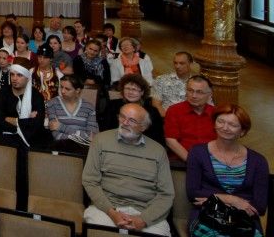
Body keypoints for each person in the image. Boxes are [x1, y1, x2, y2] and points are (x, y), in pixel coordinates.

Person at [82, 103, 174, 235]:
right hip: (106, 208)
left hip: (145, 211)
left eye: (132, 120)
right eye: (122, 117)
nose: (125, 122)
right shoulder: (101, 141)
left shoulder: (158, 151)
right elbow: (90, 181)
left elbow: (166, 194)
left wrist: (143, 219)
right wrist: (112, 212)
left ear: (143, 126)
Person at [186, 104, 269, 236]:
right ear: (214, 124)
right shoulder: (198, 152)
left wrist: (212, 198)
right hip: (207, 218)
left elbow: (259, 206)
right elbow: (193, 194)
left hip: (244, 222)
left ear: (242, 131)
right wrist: (232, 200)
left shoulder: (258, 161)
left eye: (232, 125)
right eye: (220, 121)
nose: (225, 128)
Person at [0, 56, 47, 149]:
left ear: (27, 77)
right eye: (12, 74)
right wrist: (26, 122)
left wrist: (12, 120)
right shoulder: (2, 94)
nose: (14, 78)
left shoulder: (36, 96)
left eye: (19, 75)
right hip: (5, 139)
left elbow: (37, 125)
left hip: (30, 140)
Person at [101, 73, 165, 146]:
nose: (130, 92)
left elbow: (158, 137)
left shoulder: (152, 111)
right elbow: (105, 129)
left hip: (142, 146)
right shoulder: (112, 105)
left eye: (134, 89)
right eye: (127, 88)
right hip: (115, 144)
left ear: (142, 92)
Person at [165, 75, 216, 162]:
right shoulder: (174, 110)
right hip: (181, 161)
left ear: (210, 94)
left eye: (199, 92)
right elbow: (171, 141)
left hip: (212, 162)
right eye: (190, 90)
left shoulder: (217, 113)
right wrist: (193, 162)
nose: (194, 96)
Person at [46, 75, 99, 147]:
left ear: (77, 90)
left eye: (67, 89)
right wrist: (82, 136)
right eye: (61, 87)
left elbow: (92, 136)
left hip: (83, 150)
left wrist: (62, 127)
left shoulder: (89, 108)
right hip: (60, 148)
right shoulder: (52, 104)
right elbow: (56, 135)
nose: (62, 91)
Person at [151, 51, 193, 117]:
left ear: (190, 64)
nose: (177, 66)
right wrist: (169, 120)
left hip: (188, 121)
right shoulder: (161, 80)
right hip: (165, 119)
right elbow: (156, 105)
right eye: (175, 63)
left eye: (182, 63)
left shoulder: (198, 83)